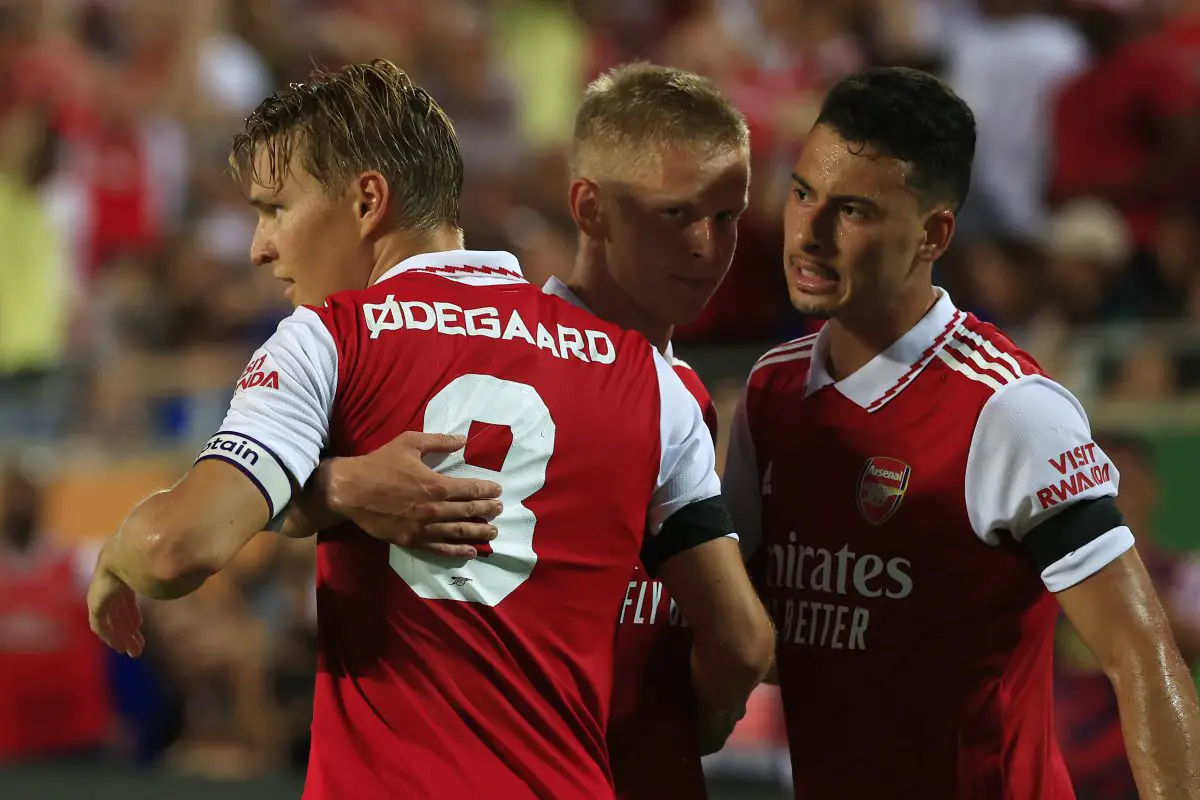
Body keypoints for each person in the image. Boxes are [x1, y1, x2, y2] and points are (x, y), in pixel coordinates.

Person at [86, 60, 773, 800]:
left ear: (367, 201)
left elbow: (176, 549)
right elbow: (742, 643)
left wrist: (116, 553)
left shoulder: (330, 337)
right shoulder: (649, 376)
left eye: (276, 208)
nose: (260, 246)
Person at [721, 66, 1200, 799]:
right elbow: (749, 637)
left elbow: (1141, 657)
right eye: (801, 193)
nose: (809, 234)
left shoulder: (1009, 410)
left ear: (933, 233)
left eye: (851, 210)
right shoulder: (771, 392)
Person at [296, 62, 754, 799]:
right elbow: (742, 643)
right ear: (590, 208)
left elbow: (736, 641)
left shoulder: (686, 397)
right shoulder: (456, 360)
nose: (706, 244)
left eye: (727, 216)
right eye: (675, 214)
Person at [1055, 432, 1200, 800]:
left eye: (1127, 484)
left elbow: (1188, 641)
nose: (1117, 498)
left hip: (1141, 779)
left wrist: (1122, 562)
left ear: (1151, 490)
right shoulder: (1048, 581)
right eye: (1103, 486)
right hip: (1061, 774)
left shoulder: (1185, 574)